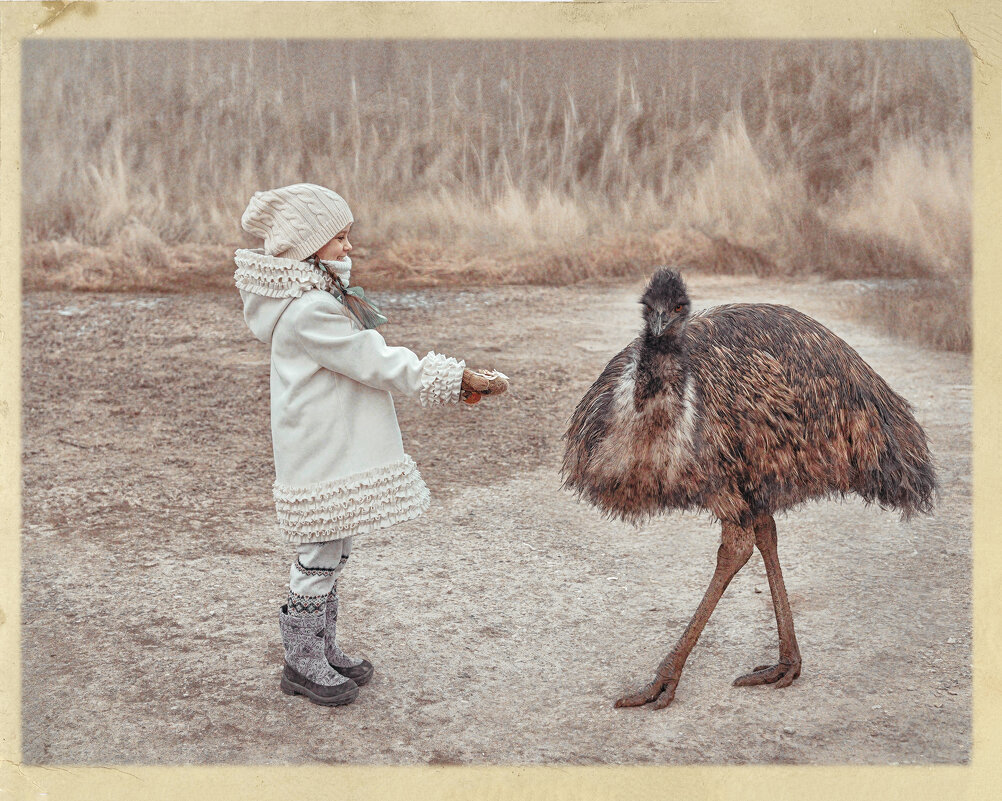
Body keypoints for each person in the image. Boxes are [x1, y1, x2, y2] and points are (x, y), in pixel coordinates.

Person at [234, 183, 507, 706]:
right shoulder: (310, 309)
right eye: (338, 237)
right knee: (317, 552)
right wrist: (451, 378)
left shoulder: (319, 297)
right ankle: (300, 660)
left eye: (347, 236)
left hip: (333, 445)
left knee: (333, 547)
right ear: (309, 247)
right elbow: (375, 360)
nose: (348, 247)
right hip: (319, 450)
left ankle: (322, 646)